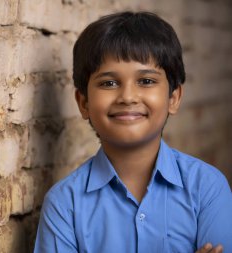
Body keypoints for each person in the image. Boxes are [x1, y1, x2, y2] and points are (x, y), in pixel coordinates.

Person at [34, 11, 232, 253]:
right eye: (109, 83)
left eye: (146, 81)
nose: (127, 97)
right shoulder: (64, 205)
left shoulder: (207, 189)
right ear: (84, 103)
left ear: (173, 97)